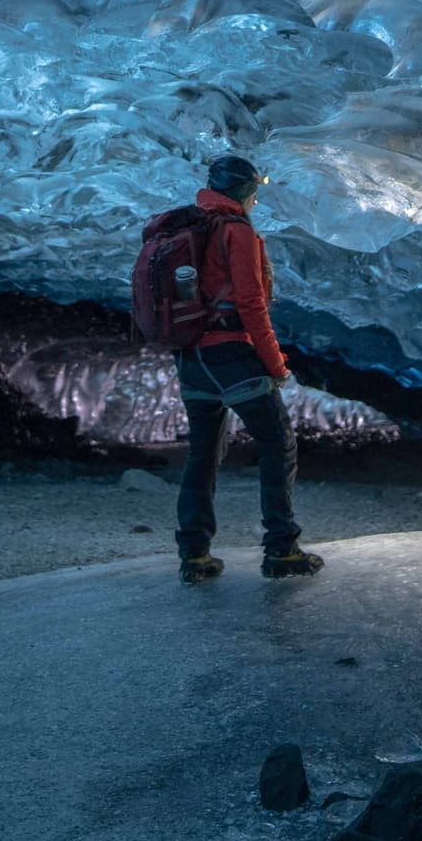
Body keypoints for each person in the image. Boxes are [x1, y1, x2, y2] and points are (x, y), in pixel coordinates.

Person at [162, 154, 319, 582]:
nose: (255, 200)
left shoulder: (187, 228)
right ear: (245, 192)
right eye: (254, 191)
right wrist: (275, 364)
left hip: (191, 357)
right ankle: (281, 548)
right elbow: (250, 304)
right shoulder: (236, 231)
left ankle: (195, 555)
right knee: (278, 443)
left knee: (202, 454)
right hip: (230, 355)